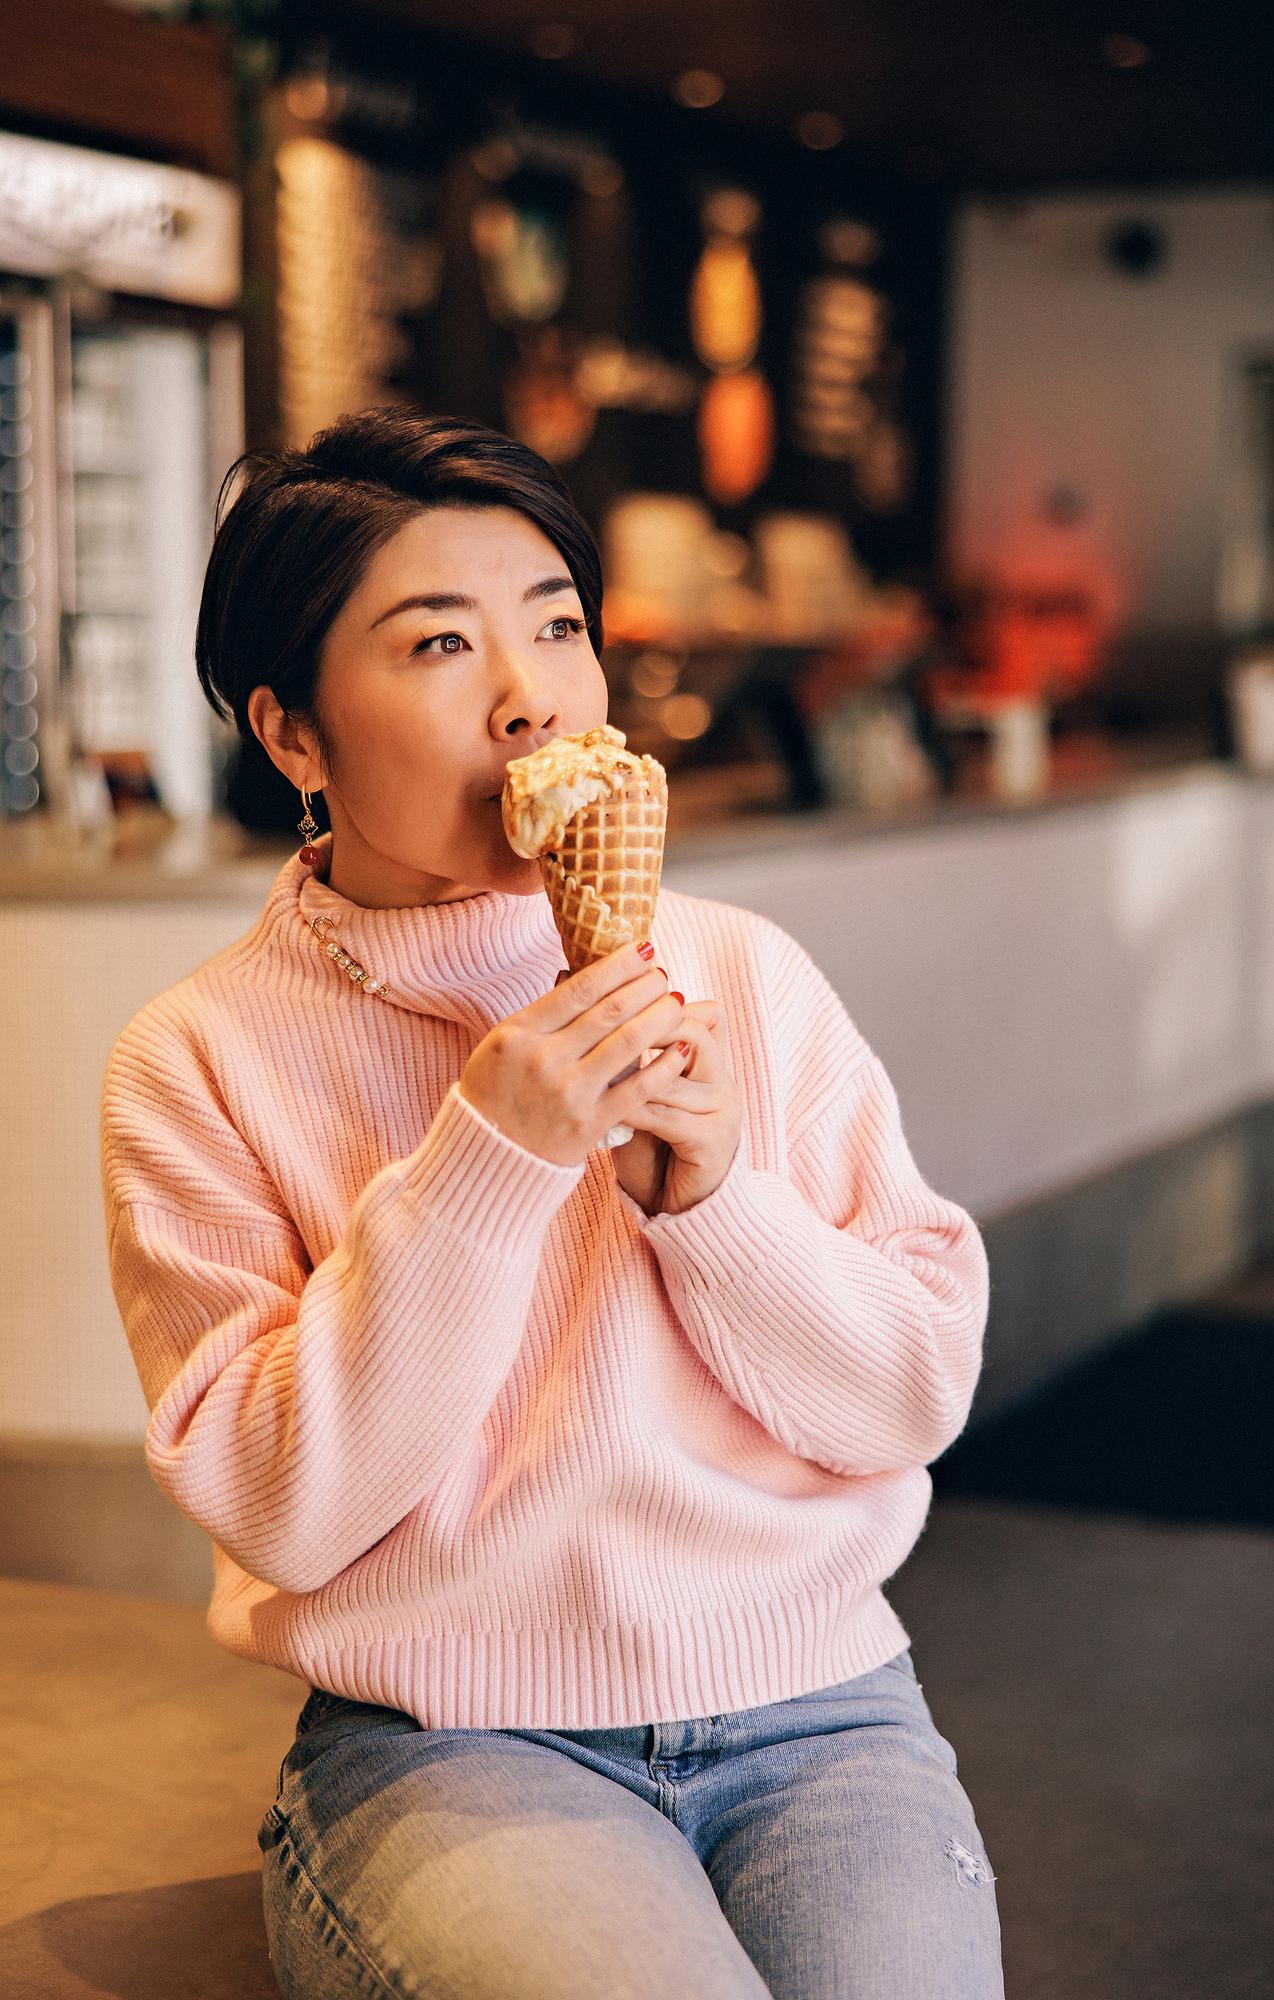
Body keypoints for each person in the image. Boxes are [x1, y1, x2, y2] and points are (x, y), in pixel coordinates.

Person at [99, 406, 1004, 1999]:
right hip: (452, 1746)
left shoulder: (736, 976)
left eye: (558, 627)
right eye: (439, 644)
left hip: (820, 1705)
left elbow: (902, 1399)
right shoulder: (201, 1058)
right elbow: (285, 1508)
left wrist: (718, 1202)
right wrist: (486, 1165)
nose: (530, 700)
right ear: (293, 735)